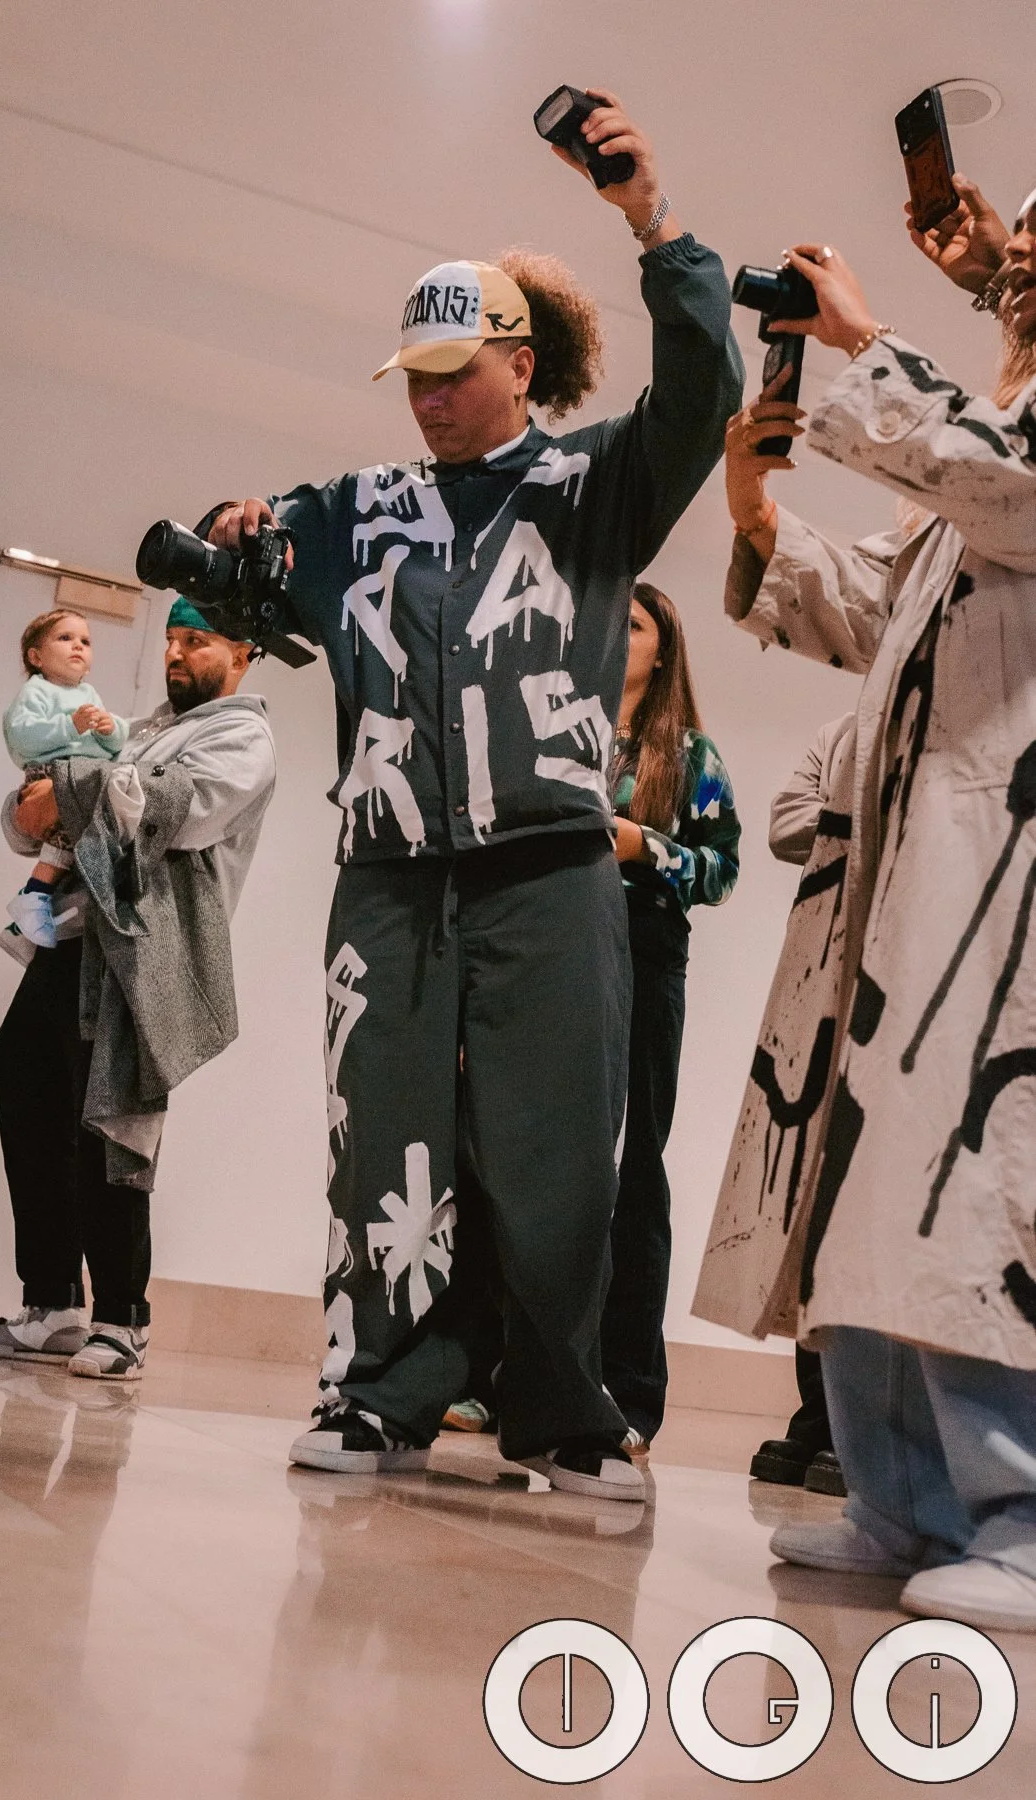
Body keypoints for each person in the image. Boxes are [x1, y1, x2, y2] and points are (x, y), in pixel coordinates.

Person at [204, 89, 743, 1501]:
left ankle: (562, 1415)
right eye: (414, 377)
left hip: (550, 872)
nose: (429, 398)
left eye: (454, 372)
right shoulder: (357, 506)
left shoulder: (593, 485)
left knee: (556, 1151)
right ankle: (377, 1394)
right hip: (388, 875)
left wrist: (650, 221)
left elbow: (702, 395)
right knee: (381, 1137)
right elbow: (247, 570)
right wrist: (230, 532)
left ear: (517, 364)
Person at [694, 175, 1036, 1629]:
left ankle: (1020, 1515)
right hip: (912, 860)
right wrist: (756, 512)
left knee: (978, 1180)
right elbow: (876, 611)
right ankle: (901, 1502)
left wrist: (864, 343)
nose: (1016, 258)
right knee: (874, 1179)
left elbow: (1014, 496)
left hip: (1003, 869)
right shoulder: (994, 424)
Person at [0, 599, 276, 1380]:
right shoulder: (147, 728)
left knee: (114, 1126)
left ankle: (123, 1321)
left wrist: (68, 790)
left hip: (144, 953)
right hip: (77, 935)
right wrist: (50, 797)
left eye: (196, 641)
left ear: (241, 654)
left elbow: (172, 809)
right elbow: (38, 815)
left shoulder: (243, 736)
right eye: (171, 639)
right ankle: (52, 1305)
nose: (176, 653)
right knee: (31, 1088)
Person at [602, 582, 740, 1453]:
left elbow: (723, 871)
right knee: (537, 1163)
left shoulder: (689, 755)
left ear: (664, 652)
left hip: (646, 958)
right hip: (556, 955)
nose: (618, 633)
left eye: (636, 624)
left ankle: (630, 1391)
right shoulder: (560, 730)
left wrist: (642, 845)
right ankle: (507, 1374)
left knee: (635, 1171)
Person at [746, 713, 854, 1499]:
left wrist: (846, 819)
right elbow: (786, 824)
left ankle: (866, 1427)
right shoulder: (845, 730)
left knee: (871, 1205)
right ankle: (820, 1414)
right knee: (814, 1204)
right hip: (829, 973)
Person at [0, 609, 128, 954]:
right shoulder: (37, 691)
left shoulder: (89, 693)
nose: (78, 646)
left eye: (85, 641)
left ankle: (41, 900)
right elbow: (22, 736)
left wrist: (111, 729)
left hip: (85, 773)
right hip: (51, 772)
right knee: (67, 831)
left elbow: (115, 747)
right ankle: (35, 892)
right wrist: (70, 726)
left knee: (88, 836)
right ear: (36, 657)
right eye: (65, 638)